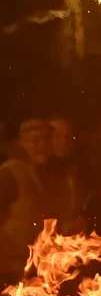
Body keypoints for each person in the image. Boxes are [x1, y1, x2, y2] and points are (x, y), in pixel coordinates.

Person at [0, 119, 54, 285]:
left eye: (46, 140)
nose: (41, 145)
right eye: (34, 140)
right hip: (7, 273)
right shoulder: (9, 175)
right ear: (21, 143)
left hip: (34, 272)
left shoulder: (45, 175)